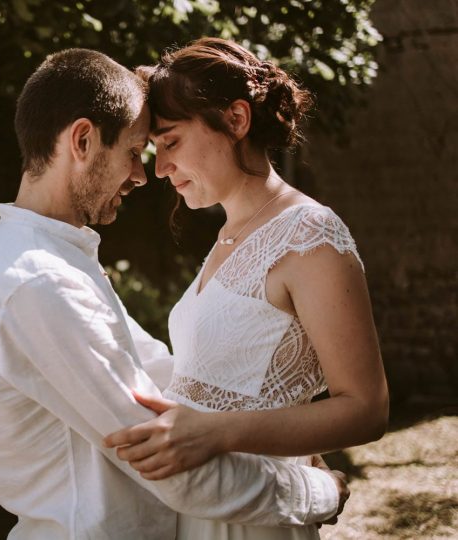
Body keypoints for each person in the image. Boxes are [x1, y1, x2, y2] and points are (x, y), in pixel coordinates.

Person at [0, 48, 349, 540]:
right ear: (82, 140)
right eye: (134, 152)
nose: (144, 175)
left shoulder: (55, 262)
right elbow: (171, 467)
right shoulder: (39, 280)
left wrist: (274, 434)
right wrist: (320, 492)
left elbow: (164, 380)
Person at [103, 38, 389, 540]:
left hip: (256, 519)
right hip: (201, 503)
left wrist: (218, 433)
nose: (161, 169)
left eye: (170, 141)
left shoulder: (309, 234)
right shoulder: (225, 239)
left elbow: (367, 407)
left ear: (236, 120)